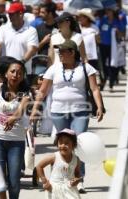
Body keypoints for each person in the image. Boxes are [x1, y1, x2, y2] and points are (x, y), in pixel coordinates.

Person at [30, 40, 104, 193]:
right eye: (59, 52)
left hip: (81, 111)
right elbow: (43, 91)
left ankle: (79, 178)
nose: (60, 54)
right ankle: (63, 176)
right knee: (64, 145)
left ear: (72, 52)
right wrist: (35, 109)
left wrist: (100, 107)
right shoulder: (53, 69)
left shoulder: (86, 68)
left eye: (62, 51)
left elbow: (95, 89)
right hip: (58, 111)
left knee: (78, 144)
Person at [0, 58, 30, 199]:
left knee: (14, 181)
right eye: (12, 71)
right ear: (6, 74)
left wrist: (14, 117)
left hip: (16, 141)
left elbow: (21, 110)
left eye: (19, 73)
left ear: (22, 76)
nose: (15, 75)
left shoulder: (25, 93)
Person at [0, 2, 38, 75]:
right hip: (5, 71)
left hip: (24, 72)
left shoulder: (31, 30)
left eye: (12, 14)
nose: (10, 16)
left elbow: (32, 49)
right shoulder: (3, 28)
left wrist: (21, 63)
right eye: (9, 14)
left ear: (20, 14)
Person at [36, 129, 82, 199]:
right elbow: (39, 166)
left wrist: (77, 179)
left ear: (73, 145)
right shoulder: (54, 157)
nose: (63, 145)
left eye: (66, 143)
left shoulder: (76, 159)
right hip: (54, 189)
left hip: (70, 189)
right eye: (60, 142)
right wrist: (44, 181)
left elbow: (77, 172)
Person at [77, 8, 103, 87]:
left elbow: (99, 41)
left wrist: (95, 38)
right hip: (80, 54)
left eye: (82, 17)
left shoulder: (94, 27)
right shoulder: (78, 27)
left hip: (92, 54)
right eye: (79, 17)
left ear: (87, 18)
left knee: (93, 70)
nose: (80, 18)